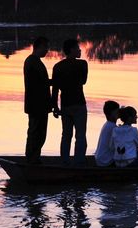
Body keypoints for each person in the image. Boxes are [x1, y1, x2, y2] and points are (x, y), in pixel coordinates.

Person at [52, 38, 89, 166]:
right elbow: (83, 81)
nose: (80, 50)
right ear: (72, 50)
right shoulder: (83, 64)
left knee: (66, 135)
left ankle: (65, 161)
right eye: (78, 48)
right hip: (79, 103)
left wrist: (55, 107)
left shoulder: (58, 67)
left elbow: (55, 89)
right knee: (80, 135)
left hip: (65, 104)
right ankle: (79, 161)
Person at [23, 36, 52, 164]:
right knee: (37, 133)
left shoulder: (34, 61)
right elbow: (41, 84)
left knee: (37, 133)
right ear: (39, 47)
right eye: (45, 47)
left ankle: (33, 158)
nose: (47, 50)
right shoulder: (32, 62)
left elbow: (42, 83)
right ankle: (32, 159)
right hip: (37, 105)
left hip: (37, 105)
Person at [94, 100, 120, 168]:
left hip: (100, 159)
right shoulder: (113, 127)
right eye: (117, 111)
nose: (119, 113)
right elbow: (115, 146)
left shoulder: (107, 124)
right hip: (106, 161)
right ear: (112, 113)